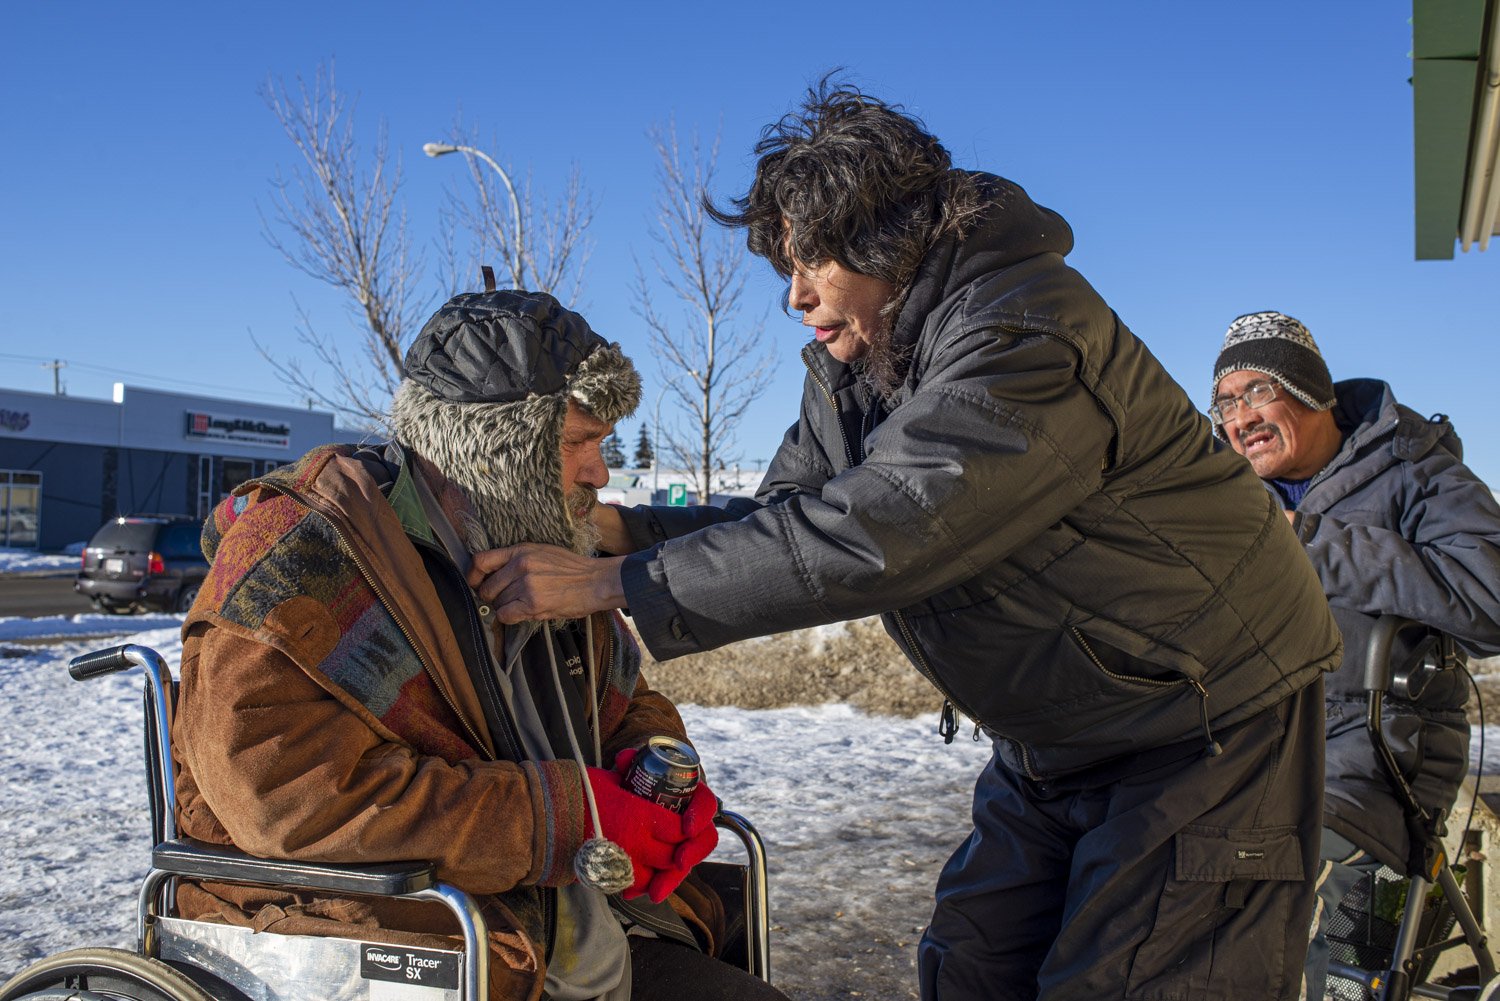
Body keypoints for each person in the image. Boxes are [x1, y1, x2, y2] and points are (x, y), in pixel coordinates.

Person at [469, 82, 1343, 1000]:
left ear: (883, 238)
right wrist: (612, 528)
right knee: (973, 964)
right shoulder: (860, 363)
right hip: (1058, 732)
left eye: (811, 264)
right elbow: (786, 516)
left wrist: (612, 582)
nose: (795, 296)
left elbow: (885, 526)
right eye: (785, 270)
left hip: (1203, 723)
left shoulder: (1025, 329)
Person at [171, 288, 787, 1001]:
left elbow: (627, 698)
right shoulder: (298, 553)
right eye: (575, 443)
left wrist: (651, 769)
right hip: (384, 934)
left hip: (549, 927)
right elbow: (279, 791)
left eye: (602, 443)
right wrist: (562, 814)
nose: (599, 472)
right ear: (496, 451)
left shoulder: (538, 548)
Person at [1208, 310, 1500, 1000]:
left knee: (1332, 938)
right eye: (1223, 401)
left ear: (1313, 391)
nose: (1238, 415)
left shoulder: (1413, 467)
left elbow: (1491, 601)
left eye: (1257, 391)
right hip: (1244, 748)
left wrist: (1307, 540)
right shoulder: (1221, 494)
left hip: (1380, 761)